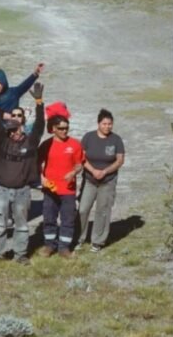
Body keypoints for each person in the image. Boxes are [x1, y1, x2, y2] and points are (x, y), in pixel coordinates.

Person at [0, 82, 46, 264]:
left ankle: (20, 254)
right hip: (2, 190)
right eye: (10, 130)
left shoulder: (31, 141)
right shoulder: (2, 140)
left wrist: (39, 102)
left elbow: (40, 124)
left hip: (22, 191)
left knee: (21, 225)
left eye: (15, 129)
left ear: (21, 125)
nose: (12, 133)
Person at [78, 109, 125, 252]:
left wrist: (105, 171)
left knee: (102, 211)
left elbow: (120, 160)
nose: (107, 127)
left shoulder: (116, 139)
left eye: (110, 124)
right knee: (83, 209)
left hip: (108, 181)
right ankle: (80, 238)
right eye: (104, 124)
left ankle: (97, 241)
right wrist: (93, 171)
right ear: (98, 124)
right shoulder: (88, 137)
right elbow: (81, 158)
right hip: (90, 179)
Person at [38, 113, 84, 258]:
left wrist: (73, 172)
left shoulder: (75, 144)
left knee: (68, 219)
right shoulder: (46, 144)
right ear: (53, 129)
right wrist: (42, 178)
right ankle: (49, 245)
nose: (64, 131)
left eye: (66, 128)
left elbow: (79, 164)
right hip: (50, 189)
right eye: (61, 128)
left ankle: (64, 248)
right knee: (49, 218)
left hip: (68, 190)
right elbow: (37, 163)